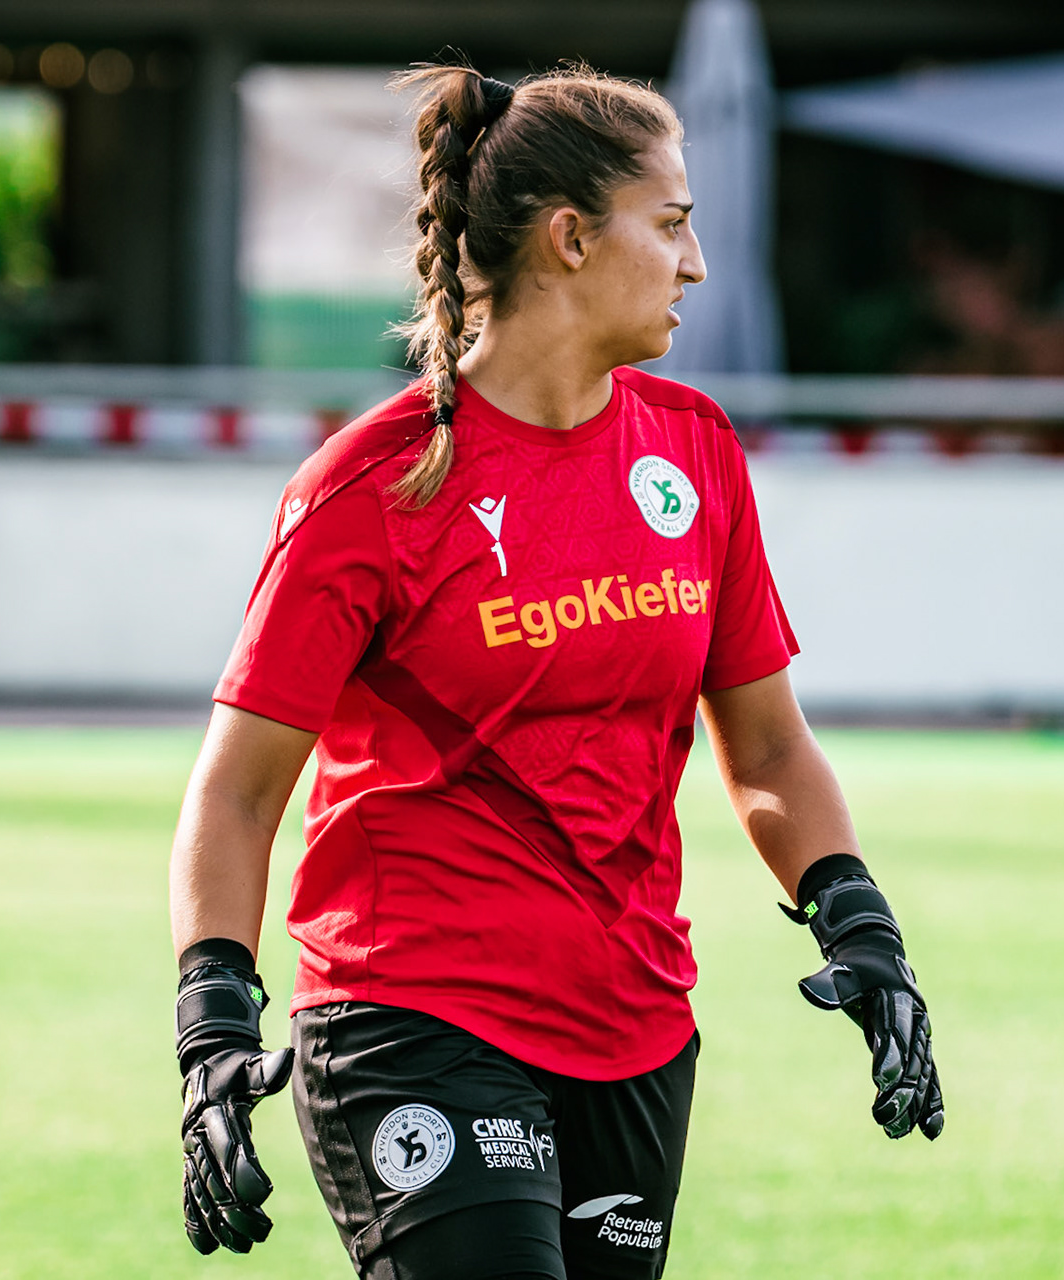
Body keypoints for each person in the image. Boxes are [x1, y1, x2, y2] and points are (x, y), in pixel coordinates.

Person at [168, 63, 943, 1280]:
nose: (696, 264)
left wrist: (862, 925)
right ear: (572, 237)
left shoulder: (694, 452)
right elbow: (240, 786)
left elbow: (772, 747)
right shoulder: (374, 484)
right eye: (673, 224)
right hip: (410, 1011)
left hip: (635, 1024)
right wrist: (212, 1020)